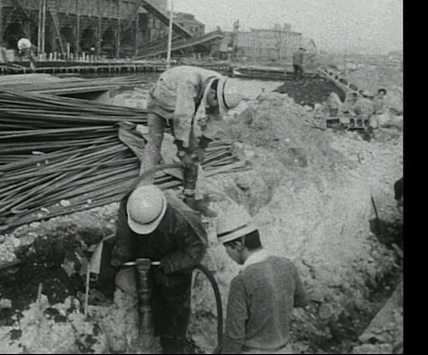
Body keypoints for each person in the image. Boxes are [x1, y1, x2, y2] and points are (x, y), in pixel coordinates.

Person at [107, 185, 208, 353]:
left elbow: (196, 249)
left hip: (173, 260)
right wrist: (117, 262)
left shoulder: (182, 217)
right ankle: (152, 336)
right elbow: (124, 236)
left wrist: (171, 263)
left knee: (174, 306)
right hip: (145, 252)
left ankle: (173, 345)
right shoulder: (130, 204)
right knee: (149, 300)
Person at [140, 66, 247, 208]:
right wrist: (181, 152)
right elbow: (181, 119)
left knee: (192, 151)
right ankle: (143, 190)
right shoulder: (190, 82)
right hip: (162, 97)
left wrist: (202, 147)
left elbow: (215, 119)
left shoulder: (220, 85)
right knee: (154, 144)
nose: (214, 108)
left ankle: (192, 197)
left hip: (185, 102)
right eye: (216, 104)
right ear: (212, 93)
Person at [216, 205, 310, 354]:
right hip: (285, 349)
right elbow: (302, 300)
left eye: (227, 249)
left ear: (238, 244)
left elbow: (235, 336)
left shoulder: (241, 281)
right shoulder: (286, 265)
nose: (228, 255)